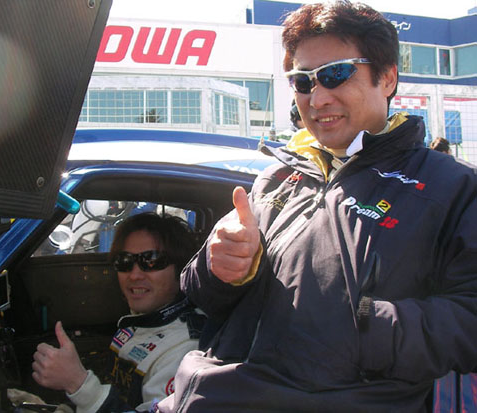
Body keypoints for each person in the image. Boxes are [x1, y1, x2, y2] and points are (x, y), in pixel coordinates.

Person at [156, 1, 477, 412]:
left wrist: (368, 327)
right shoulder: (276, 176)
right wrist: (219, 267)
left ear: (388, 78)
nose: (318, 97)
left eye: (335, 74)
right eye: (303, 81)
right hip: (206, 395)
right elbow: (199, 294)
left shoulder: (452, 187)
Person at [32, 213, 204, 413]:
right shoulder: (141, 321)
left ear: (182, 268)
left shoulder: (187, 350)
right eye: (125, 261)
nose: (134, 275)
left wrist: (79, 385)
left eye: (151, 260)